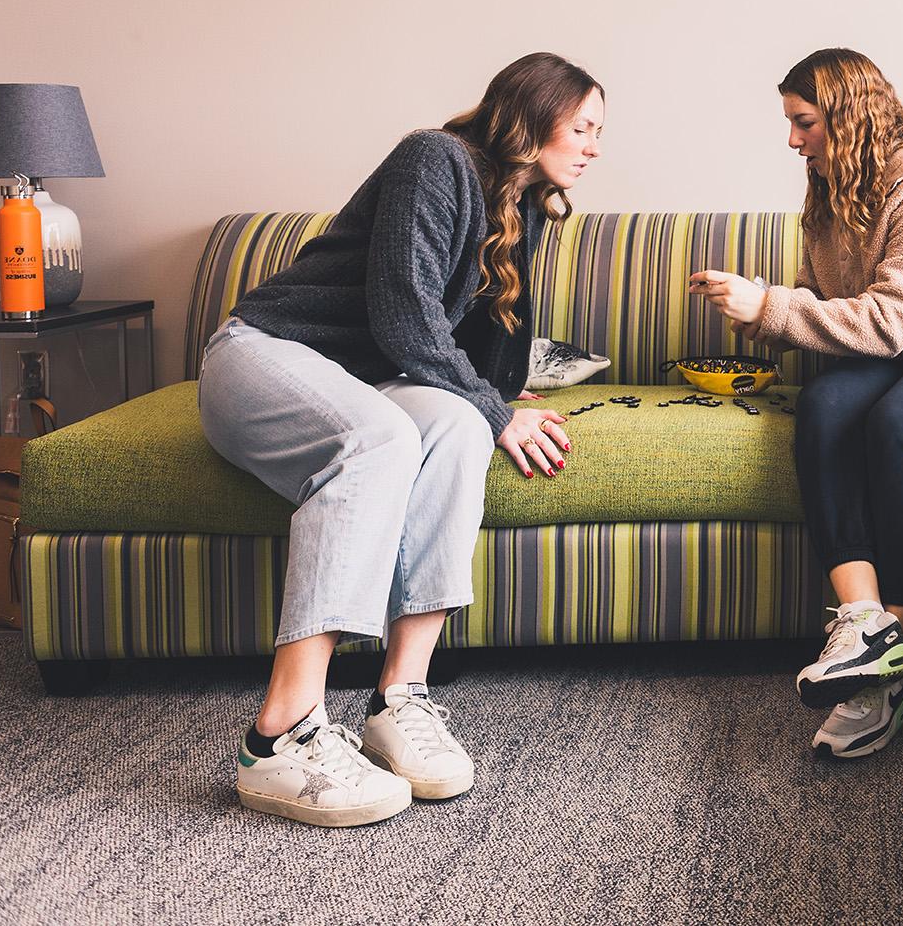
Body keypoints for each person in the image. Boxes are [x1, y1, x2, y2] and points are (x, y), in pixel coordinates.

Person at [198, 52, 605, 825]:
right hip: (264, 355)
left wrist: (495, 397)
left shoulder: (511, 205)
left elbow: (494, 364)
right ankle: (280, 732)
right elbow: (402, 313)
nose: (593, 146)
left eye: (597, 134)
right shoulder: (436, 158)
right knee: (383, 436)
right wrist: (501, 409)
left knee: (456, 425)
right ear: (534, 111)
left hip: (361, 379)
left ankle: (399, 697)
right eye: (582, 126)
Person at [692, 48, 903, 759]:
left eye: (804, 123)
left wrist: (776, 309)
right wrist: (760, 312)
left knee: (901, 425)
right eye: (790, 124)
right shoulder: (829, 188)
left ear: (846, 116)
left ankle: (889, 663)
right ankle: (862, 621)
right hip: (889, 357)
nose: (793, 141)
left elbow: (889, 321)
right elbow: (823, 299)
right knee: (824, 406)